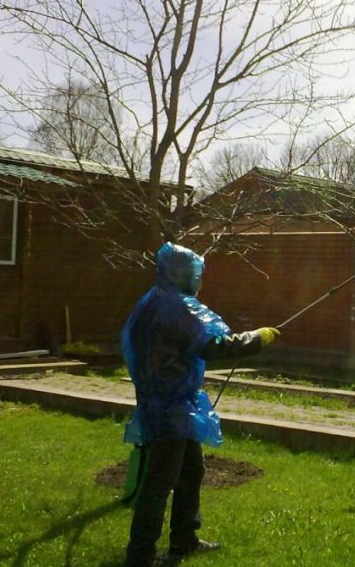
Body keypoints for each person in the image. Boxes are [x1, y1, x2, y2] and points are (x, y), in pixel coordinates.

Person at [122, 242, 279, 566]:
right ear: (180, 274)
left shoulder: (152, 300)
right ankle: (141, 555)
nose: (199, 281)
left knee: (191, 470)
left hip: (166, 401)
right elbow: (213, 346)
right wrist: (258, 339)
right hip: (171, 405)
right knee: (160, 480)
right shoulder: (176, 307)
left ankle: (185, 539)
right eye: (195, 275)